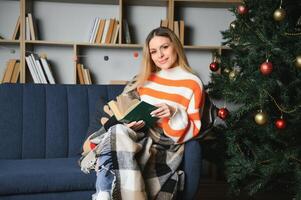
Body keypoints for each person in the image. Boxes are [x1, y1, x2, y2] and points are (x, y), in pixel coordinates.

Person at [82, 26, 205, 200]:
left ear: (175, 46)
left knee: (117, 138)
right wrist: (130, 123)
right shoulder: (146, 80)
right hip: (139, 133)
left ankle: (108, 193)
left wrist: (174, 112)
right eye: (153, 51)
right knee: (117, 130)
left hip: (165, 143)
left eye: (165, 47)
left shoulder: (192, 82)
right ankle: (103, 193)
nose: (160, 55)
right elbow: (134, 111)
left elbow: (194, 128)